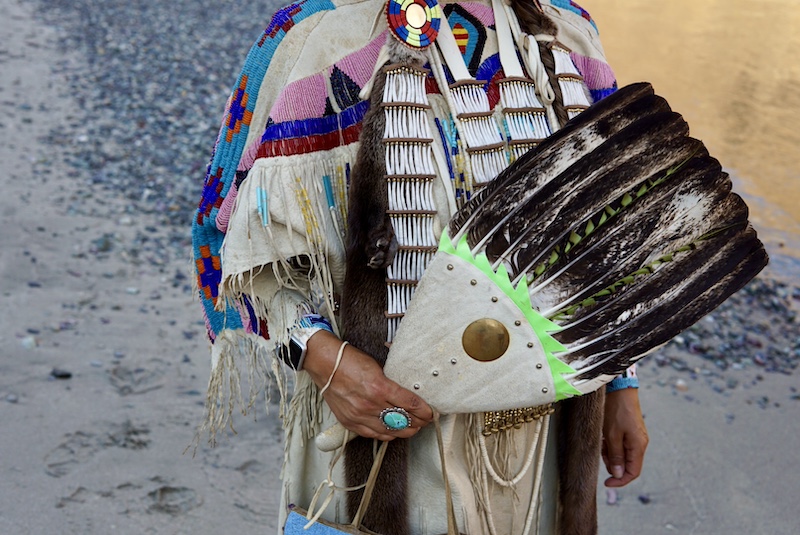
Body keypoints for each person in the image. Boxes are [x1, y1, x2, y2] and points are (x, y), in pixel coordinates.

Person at [192, 0, 648, 533]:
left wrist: (621, 384)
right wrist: (322, 359)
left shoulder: (567, 34)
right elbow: (222, 241)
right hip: (382, 431)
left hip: (545, 438)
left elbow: (608, 238)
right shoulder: (317, 35)